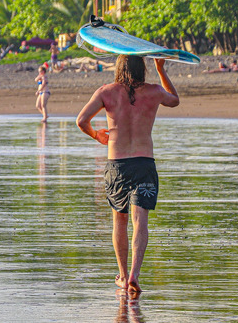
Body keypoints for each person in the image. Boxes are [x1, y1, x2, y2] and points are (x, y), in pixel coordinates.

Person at [76, 55, 180, 294]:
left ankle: (123, 276)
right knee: (140, 221)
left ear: (119, 68)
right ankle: (134, 274)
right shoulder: (154, 91)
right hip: (144, 164)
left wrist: (96, 135)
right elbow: (174, 100)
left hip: (117, 166)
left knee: (119, 221)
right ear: (142, 68)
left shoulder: (106, 91)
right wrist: (161, 70)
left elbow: (81, 120)